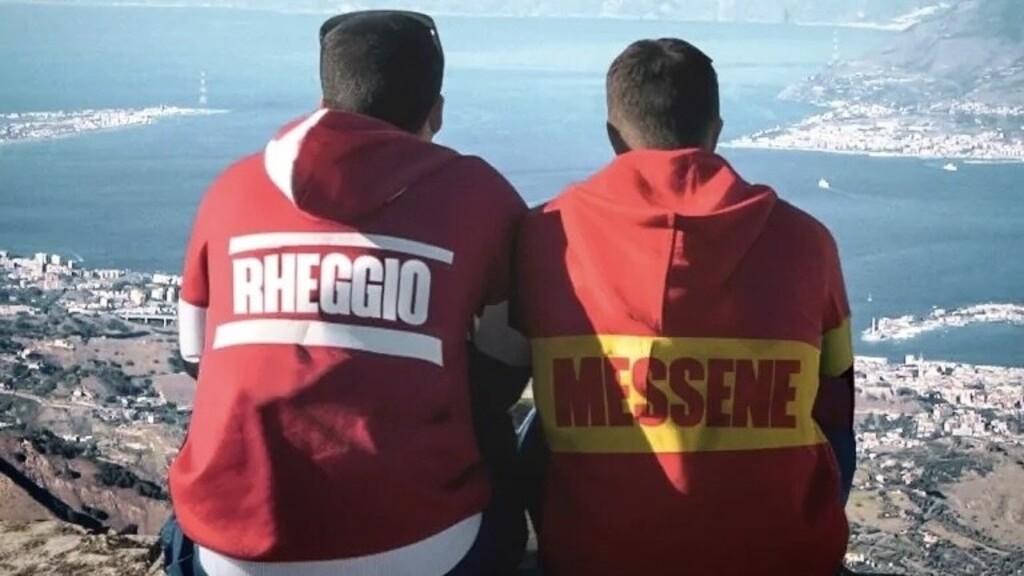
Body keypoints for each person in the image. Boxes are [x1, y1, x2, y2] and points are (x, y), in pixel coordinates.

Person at [168, 10, 530, 576]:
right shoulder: (481, 195)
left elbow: (194, 355)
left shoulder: (231, 190)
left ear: (323, 102)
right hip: (429, 549)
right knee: (501, 435)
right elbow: (507, 365)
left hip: (233, 552)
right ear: (436, 112)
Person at [515, 38, 856, 575]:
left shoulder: (543, 235)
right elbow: (836, 400)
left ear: (613, 136)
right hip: (784, 557)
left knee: (538, 422)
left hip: (593, 557)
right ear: (715, 131)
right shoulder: (808, 241)